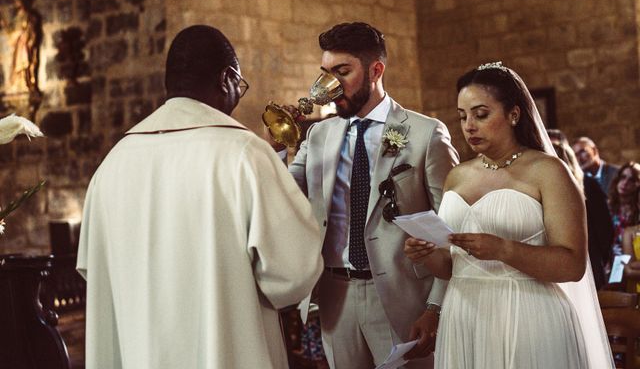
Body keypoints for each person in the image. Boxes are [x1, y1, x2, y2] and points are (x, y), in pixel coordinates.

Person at [76, 25, 324, 369]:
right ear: (227, 77)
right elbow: (292, 274)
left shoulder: (114, 162)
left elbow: (94, 267)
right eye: (240, 85)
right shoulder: (244, 153)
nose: (238, 96)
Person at [404, 62, 613, 368]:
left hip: (528, 315)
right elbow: (452, 266)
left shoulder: (548, 172)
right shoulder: (457, 176)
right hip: (464, 314)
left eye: (481, 114)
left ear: (513, 114)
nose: (469, 126)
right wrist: (426, 254)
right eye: (463, 116)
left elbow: (572, 265)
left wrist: (503, 249)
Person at [282, 22, 459, 369]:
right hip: (335, 297)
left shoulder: (425, 134)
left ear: (375, 70)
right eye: (325, 73)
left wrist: (435, 308)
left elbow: (451, 229)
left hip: (405, 298)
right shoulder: (318, 135)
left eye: (342, 72)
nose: (330, 85)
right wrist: (277, 149)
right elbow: (283, 195)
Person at [547, 129, 614, 289]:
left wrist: (601, 259)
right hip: (566, 264)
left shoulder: (589, 185)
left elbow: (605, 228)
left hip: (586, 260)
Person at [608, 162, 640, 258]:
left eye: (631, 180)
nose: (625, 183)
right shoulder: (606, 206)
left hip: (632, 259)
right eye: (623, 177)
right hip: (607, 259)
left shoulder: (638, 210)